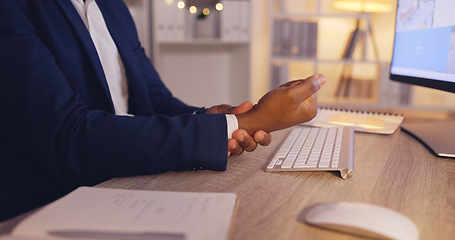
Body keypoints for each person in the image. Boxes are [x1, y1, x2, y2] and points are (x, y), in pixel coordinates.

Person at [0, 0, 326, 221]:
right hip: (45, 209)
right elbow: (68, 136)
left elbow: (153, 100)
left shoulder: (112, 7)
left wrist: (212, 118)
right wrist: (247, 121)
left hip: (128, 187)